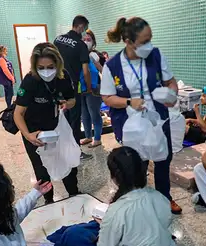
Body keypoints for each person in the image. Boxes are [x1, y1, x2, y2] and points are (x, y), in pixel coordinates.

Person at [101, 17, 182, 214]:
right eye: (144, 41)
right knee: (136, 163)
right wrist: (129, 102)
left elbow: (170, 81)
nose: (150, 45)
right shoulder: (113, 66)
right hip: (130, 123)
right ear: (128, 42)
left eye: (151, 39)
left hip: (157, 118)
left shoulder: (156, 55)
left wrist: (171, 94)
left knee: (163, 158)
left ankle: (165, 198)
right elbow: (108, 97)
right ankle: (139, 200)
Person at [97, 146, 180, 246]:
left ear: (114, 177)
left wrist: (106, 231)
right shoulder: (160, 197)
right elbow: (162, 224)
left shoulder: (116, 211)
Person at [14, 42, 79, 204]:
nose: (46, 71)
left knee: (68, 163)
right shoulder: (30, 81)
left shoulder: (63, 77)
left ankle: (74, 195)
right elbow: (18, 114)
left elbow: (72, 100)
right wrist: (28, 135)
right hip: (34, 131)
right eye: (41, 68)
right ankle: (48, 201)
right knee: (42, 170)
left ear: (57, 64)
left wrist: (66, 104)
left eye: (50, 66)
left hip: (57, 128)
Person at [54, 15, 93, 160]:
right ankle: (76, 152)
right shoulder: (80, 45)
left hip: (57, 85)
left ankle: (63, 149)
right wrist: (88, 87)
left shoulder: (58, 39)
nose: (84, 33)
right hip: (72, 86)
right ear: (81, 26)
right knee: (75, 120)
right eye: (85, 29)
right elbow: (85, 71)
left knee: (61, 118)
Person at [80, 29, 105, 148]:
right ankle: (88, 136)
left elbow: (104, 72)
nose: (85, 42)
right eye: (83, 40)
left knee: (94, 113)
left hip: (94, 88)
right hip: (82, 88)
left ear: (93, 42)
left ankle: (97, 138)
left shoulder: (96, 55)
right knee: (84, 113)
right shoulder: (78, 54)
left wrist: (96, 62)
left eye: (88, 40)